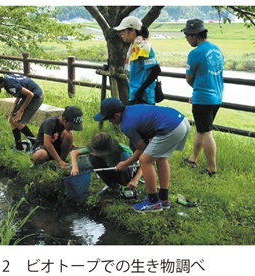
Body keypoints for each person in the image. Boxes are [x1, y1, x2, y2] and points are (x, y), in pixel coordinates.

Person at [93, 97, 190, 212]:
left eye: (108, 119)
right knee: (161, 158)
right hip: (182, 121)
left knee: (145, 161)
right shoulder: (132, 109)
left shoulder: (127, 125)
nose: (109, 121)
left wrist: (126, 163)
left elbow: (141, 148)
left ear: (117, 115)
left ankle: (152, 201)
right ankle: (163, 198)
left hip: (171, 126)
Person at [181, 19, 224, 176]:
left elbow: (188, 78)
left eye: (187, 35)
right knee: (201, 129)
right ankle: (193, 159)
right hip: (217, 97)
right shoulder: (217, 49)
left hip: (203, 98)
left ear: (195, 35)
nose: (186, 38)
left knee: (206, 132)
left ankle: (212, 169)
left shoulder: (195, 53)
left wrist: (198, 92)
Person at [70, 132, 143, 196]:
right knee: (93, 158)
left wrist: (135, 180)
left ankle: (127, 188)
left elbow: (143, 164)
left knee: (125, 156)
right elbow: (74, 152)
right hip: (111, 170)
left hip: (126, 173)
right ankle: (113, 187)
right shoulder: (96, 147)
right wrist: (75, 167)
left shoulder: (123, 151)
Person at [0, 73, 44, 151]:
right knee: (11, 118)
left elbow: (30, 94)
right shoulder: (7, 83)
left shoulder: (10, 84)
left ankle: (36, 144)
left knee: (17, 122)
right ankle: (19, 146)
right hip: (27, 97)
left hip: (35, 97)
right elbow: (20, 91)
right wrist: (14, 107)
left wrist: (21, 110)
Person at [114, 16, 161, 105]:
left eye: (123, 31)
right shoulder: (134, 46)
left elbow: (156, 70)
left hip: (144, 97)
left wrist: (141, 90)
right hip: (136, 94)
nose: (121, 34)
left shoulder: (142, 46)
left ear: (132, 31)